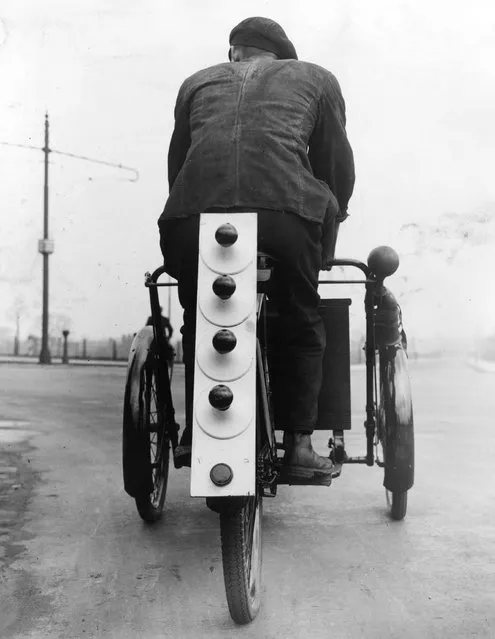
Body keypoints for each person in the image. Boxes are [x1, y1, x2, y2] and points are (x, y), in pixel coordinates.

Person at [158, 17, 355, 476]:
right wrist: (333, 212)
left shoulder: (196, 82)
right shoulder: (315, 77)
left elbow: (178, 163)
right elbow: (334, 164)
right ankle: (300, 448)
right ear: (282, 58)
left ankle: (196, 432)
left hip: (195, 218)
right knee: (302, 318)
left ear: (234, 54)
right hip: (285, 217)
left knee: (201, 316)